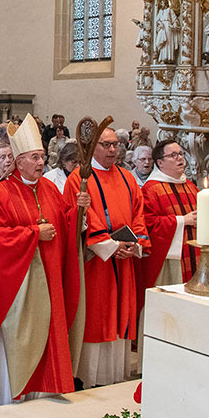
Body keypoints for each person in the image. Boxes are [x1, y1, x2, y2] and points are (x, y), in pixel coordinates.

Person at [0, 115, 84, 407]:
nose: (41, 162)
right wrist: (33, 234)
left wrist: (78, 213)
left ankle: (43, 389)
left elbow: (62, 223)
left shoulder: (49, 189)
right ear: (19, 161)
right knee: (19, 335)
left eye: (43, 156)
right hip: (17, 284)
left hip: (49, 276)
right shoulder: (1, 192)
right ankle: (10, 392)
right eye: (35, 157)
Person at [63, 127, 150, 388]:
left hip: (123, 261)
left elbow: (139, 214)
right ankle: (89, 378)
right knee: (97, 317)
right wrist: (111, 245)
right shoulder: (79, 178)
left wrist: (133, 245)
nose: (113, 150)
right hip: (95, 264)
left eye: (116, 145)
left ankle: (114, 376)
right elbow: (75, 216)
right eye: (107, 145)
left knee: (119, 317)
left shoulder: (127, 178)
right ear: (92, 148)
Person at [138, 140, 199, 359]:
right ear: (160, 162)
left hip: (194, 257)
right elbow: (148, 224)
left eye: (181, 154)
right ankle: (156, 358)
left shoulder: (191, 186)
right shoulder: (150, 189)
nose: (180, 158)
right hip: (168, 261)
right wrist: (182, 221)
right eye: (173, 155)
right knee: (165, 311)